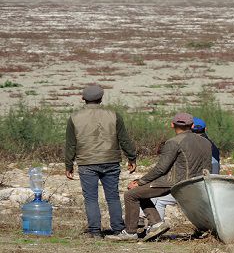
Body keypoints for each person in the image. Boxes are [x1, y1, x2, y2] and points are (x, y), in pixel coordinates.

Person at [106, 112, 211, 241]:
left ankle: (130, 232)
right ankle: (156, 224)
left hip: (175, 183)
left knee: (131, 194)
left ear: (172, 125)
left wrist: (140, 181)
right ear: (192, 125)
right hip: (198, 183)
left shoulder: (174, 142)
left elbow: (161, 168)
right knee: (141, 193)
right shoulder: (206, 142)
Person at [65, 84, 137, 238]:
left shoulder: (74, 118)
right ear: (101, 98)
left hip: (87, 162)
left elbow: (71, 144)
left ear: (82, 98)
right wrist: (132, 157)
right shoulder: (114, 115)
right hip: (111, 161)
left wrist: (69, 165)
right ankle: (118, 229)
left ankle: (95, 231)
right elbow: (124, 139)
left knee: (91, 198)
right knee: (112, 196)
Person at [141, 117, 221, 222]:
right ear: (205, 129)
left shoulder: (185, 144)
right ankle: (146, 221)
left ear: (190, 128)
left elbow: (166, 168)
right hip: (209, 187)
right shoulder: (211, 146)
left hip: (191, 188)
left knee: (157, 198)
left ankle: (153, 224)